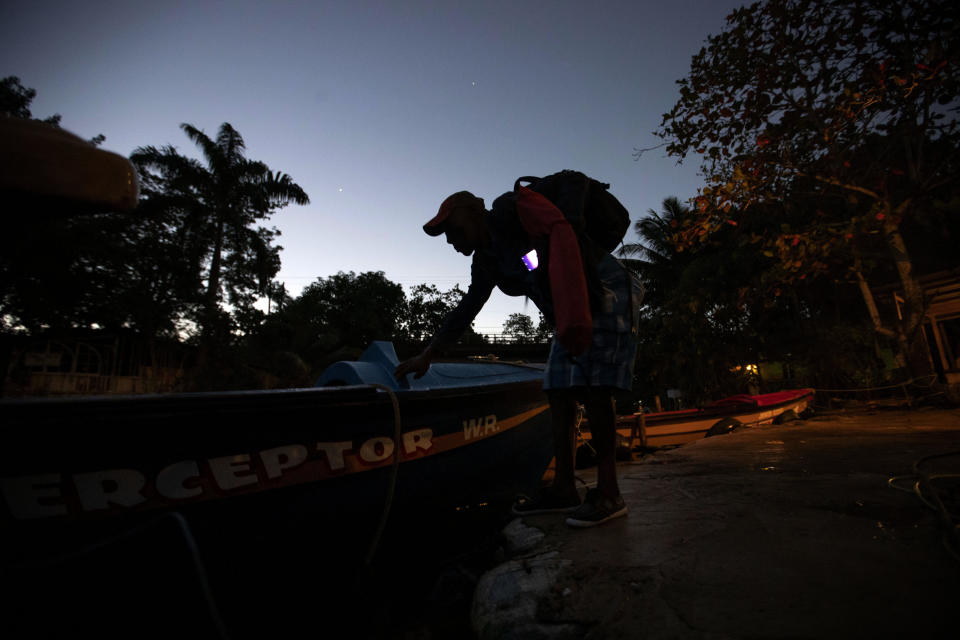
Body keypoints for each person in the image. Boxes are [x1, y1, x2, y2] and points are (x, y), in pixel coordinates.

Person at [394, 186, 640, 527]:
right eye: (446, 236)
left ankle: (610, 492)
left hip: (604, 285)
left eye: (454, 229)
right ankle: (565, 488)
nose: (452, 241)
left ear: (477, 210)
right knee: (557, 391)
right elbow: (468, 307)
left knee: (597, 388)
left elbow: (550, 249)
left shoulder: (512, 213)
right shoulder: (486, 262)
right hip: (567, 308)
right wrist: (428, 355)